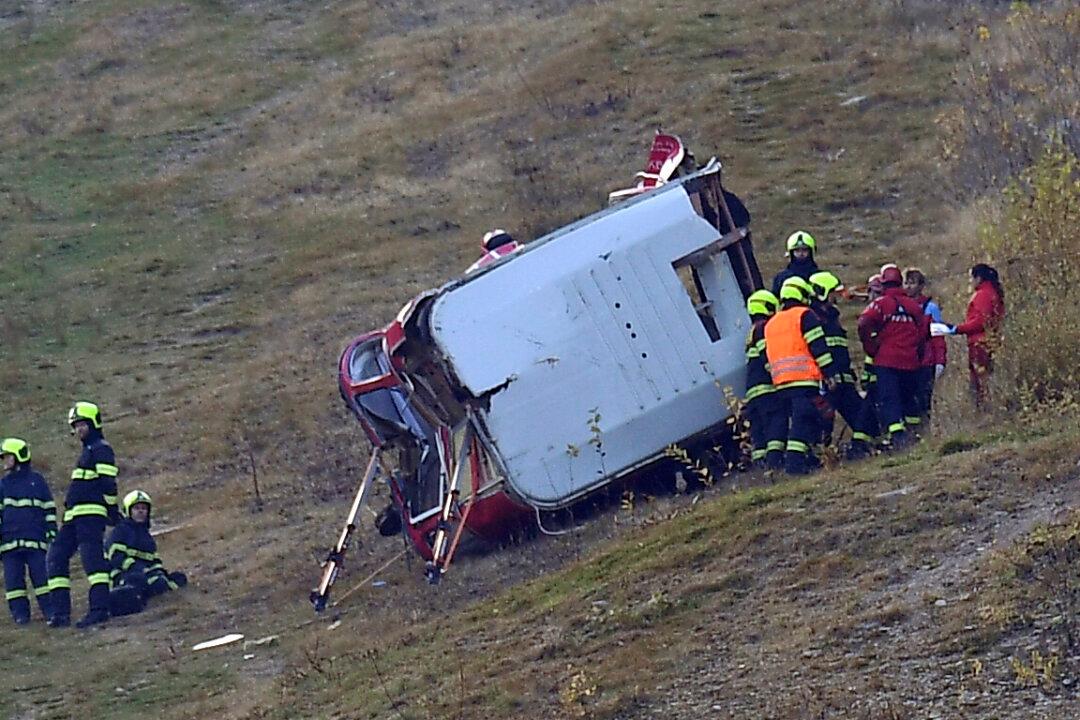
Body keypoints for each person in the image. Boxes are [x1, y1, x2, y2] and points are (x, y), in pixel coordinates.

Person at [47, 401, 120, 629]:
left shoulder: (101, 449)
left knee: (93, 561)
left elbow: (108, 484)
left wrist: (112, 510)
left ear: (93, 424)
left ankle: (99, 610)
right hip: (74, 517)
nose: (79, 429)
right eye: (76, 425)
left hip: (90, 515)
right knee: (56, 557)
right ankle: (60, 614)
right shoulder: (88, 451)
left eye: (82, 424)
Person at [764, 277, 841, 474]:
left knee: (803, 420)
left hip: (781, 383)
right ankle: (795, 465)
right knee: (804, 421)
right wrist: (830, 374)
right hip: (804, 380)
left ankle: (810, 459)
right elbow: (819, 348)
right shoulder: (805, 315)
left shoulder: (772, 323)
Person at [857, 266, 929, 449]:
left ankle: (897, 437)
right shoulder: (914, 306)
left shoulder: (880, 304)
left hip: (886, 362)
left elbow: (863, 323)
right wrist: (917, 355)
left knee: (889, 399)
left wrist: (871, 347)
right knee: (908, 399)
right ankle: (915, 434)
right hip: (910, 362)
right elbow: (923, 334)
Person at [809, 272, 874, 460]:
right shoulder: (811, 318)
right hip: (826, 381)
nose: (835, 299)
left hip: (844, 378)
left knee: (863, 417)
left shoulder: (832, 316)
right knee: (823, 423)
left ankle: (865, 449)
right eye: (832, 294)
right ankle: (821, 457)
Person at [0, 438, 56, 624]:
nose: (4, 461)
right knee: (14, 582)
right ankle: (20, 616)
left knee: (41, 579)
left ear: (18, 457)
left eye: (7, 457)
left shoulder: (37, 481)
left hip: (35, 540)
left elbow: (48, 508)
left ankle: (50, 611)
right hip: (9, 544)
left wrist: (51, 531)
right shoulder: (3, 484)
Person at [106, 490, 187, 617]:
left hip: (145, 574)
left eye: (144, 508)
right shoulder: (120, 531)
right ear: (128, 511)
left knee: (175, 578)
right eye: (136, 508)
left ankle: (152, 590)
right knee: (137, 580)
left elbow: (154, 561)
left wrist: (160, 574)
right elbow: (117, 557)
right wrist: (137, 568)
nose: (140, 511)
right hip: (124, 575)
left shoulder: (146, 536)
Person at [950, 263, 1005, 406]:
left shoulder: (982, 295)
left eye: (971, 278)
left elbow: (981, 321)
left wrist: (957, 329)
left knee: (979, 383)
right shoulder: (994, 293)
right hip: (990, 341)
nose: (970, 281)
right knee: (986, 379)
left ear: (978, 278)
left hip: (979, 343)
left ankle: (982, 409)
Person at [743, 289, 784, 470]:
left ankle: (761, 465)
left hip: (753, 389)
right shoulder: (763, 328)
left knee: (759, 428)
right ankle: (775, 461)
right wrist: (779, 376)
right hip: (766, 386)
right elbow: (767, 355)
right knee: (777, 420)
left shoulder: (751, 331)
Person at [903, 268, 947, 419]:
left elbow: (937, 336)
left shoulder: (930, 308)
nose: (908, 287)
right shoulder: (900, 306)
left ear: (921, 286)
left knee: (923, 400)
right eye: (906, 283)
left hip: (925, 361)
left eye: (912, 283)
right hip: (906, 360)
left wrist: (940, 361)